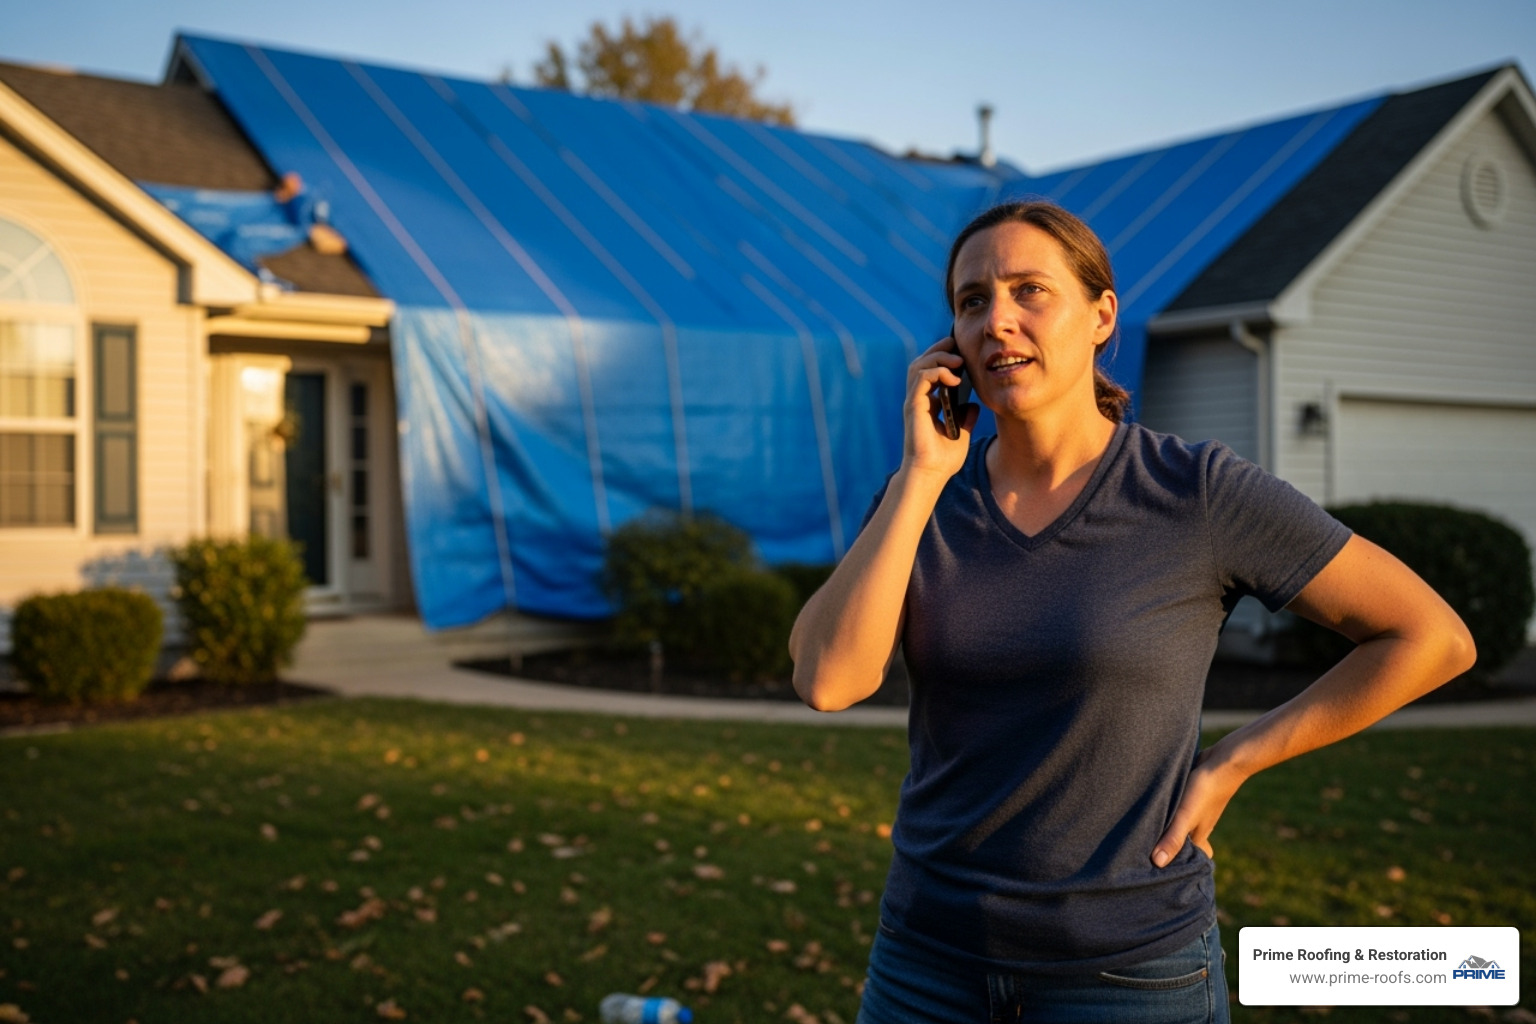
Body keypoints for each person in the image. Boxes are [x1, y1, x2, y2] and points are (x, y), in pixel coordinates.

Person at [787, 200, 1475, 1024]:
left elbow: (1431, 636)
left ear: (1101, 315)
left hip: (1127, 976)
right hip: (924, 964)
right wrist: (922, 477)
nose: (997, 320)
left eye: (1028, 291)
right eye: (973, 301)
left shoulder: (1196, 492)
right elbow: (829, 680)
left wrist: (1236, 760)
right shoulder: (921, 501)